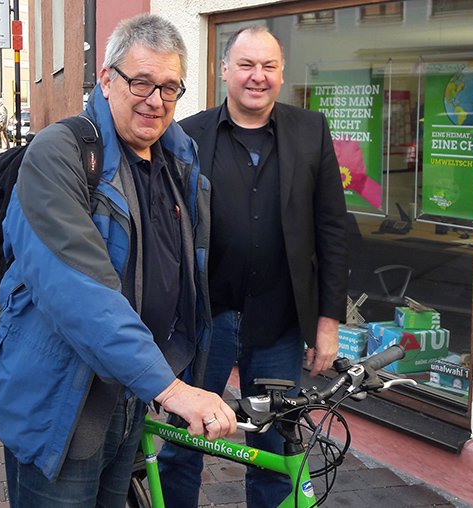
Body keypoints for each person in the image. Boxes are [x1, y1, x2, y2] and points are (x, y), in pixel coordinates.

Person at [0, 13, 237, 508]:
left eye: (169, 87)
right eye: (141, 82)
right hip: (59, 400)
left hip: (130, 393)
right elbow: (78, 290)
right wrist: (173, 388)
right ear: (105, 78)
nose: (155, 101)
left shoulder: (177, 161)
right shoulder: (61, 153)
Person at [158, 26, 348, 508]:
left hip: (278, 323)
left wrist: (328, 322)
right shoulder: (187, 135)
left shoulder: (311, 130)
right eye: (246, 65)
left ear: (282, 74)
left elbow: (332, 231)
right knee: (186, 441)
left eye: (268, 66)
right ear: (224, 70)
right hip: (207, 321)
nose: (256, 77)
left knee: (274, 448)